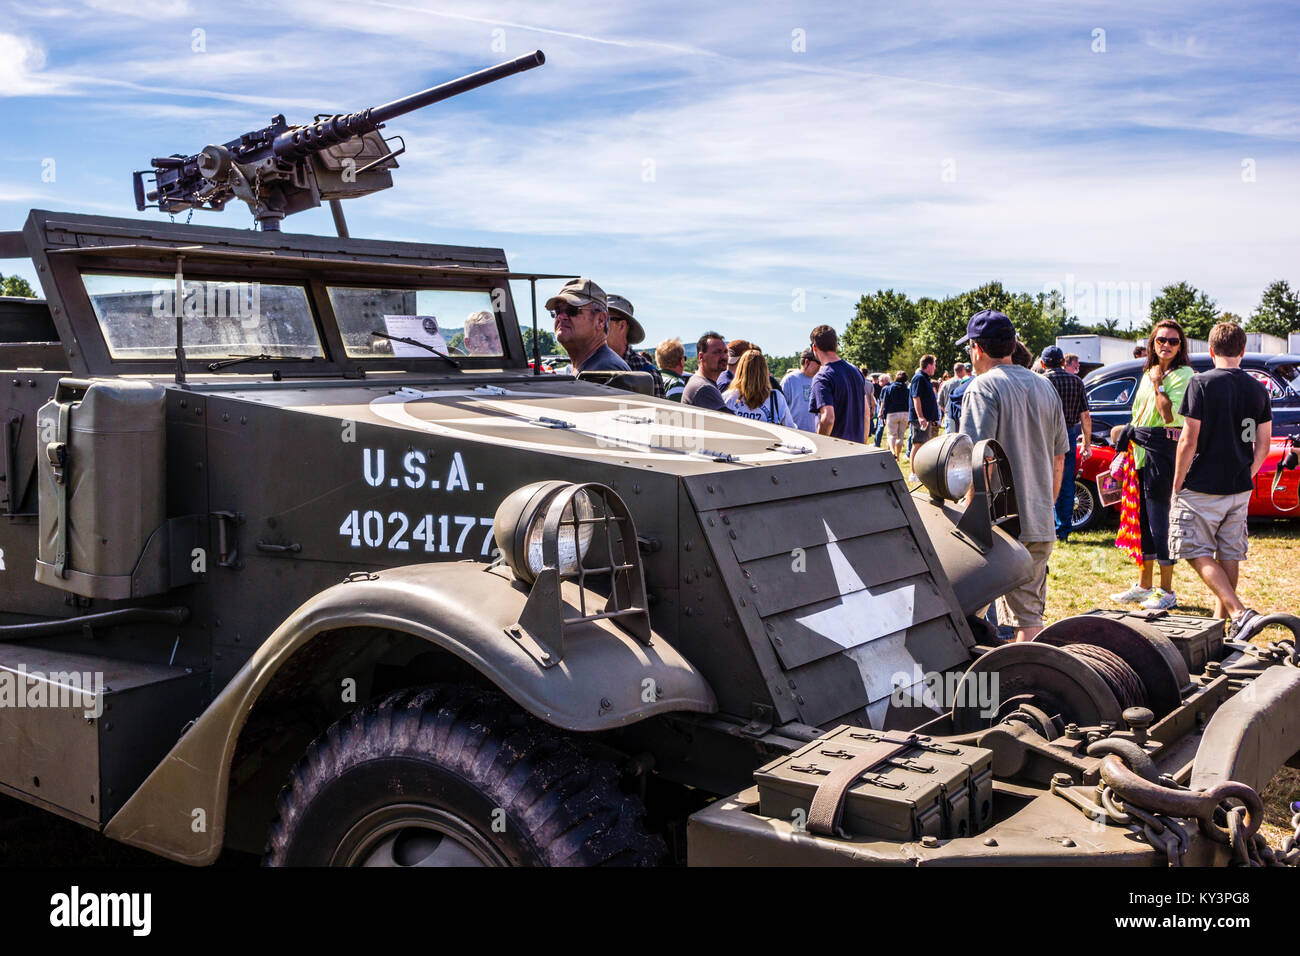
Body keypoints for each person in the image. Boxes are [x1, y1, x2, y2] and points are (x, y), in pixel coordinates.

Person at [957, 310, 1068, 642]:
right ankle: (1030, 685)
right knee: (1029, 619)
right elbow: (1059, 456)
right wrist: (1044, 506)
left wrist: (967, 514)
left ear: (977, 348)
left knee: (961, 614)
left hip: (996, 525)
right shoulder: (1045, 386)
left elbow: (977, 458)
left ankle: (977, 689)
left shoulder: (982, 388)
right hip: (1037, 519)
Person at [1170, 322, 1272, 637]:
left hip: (1201, 485)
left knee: (1190, 550)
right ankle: (1224, 624)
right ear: (1243, 351)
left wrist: (1177, 484)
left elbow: (1188, 440)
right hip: (1239, 486)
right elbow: (1264, 443)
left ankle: (1239, 613)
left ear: (1211, 351)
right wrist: (1248, 472)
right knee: (1228, 552)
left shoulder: (1201, 383)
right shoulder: (1257, 387)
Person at [1109, 319, 1194, 611]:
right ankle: (1144, 585)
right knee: (1142, 519)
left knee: (1161, 520)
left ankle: (1166, 589)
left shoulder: (1183, 374)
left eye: (1172, 341)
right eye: (1161, 340)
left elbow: (1168, 415)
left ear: (1181, 346)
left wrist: (1159, 383)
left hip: (1163, 452)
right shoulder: (1147, 373)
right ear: (1152, 343)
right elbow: (1137, 414)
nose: (1166, 345)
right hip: (1140, 451)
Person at [1042, 346, 1092, 543]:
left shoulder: (1041, 381)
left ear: (1044, 364)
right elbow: (1085, 416)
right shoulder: (1076, 381)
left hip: (1044, 434)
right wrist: (1087, 443)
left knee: (1043, 480)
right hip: (1069, 432)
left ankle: (1046, 527)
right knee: (1066, 482)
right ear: (1063, 362)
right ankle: (1063, 529)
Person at [546, 278, 629, 373]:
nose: (561, 316)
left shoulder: (607, 370)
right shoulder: (591, 366)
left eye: (572, 310)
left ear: (600, 320)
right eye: (558, 310)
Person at [808, 325, 866, 442]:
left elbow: (828, 418)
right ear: (836, 345)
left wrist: (821, 445)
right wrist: (863, 443)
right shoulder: (855, 371)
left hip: (835, 452)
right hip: (857, 450)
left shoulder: (822, 377)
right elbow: (867, 413)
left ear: (814, 347)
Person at [605, 294, 665, 398]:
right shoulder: (586, 364)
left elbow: (658, 414)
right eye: (595, 319)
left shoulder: (648, 373)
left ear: (622, 326)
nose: (598, 324)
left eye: (605, 319)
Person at [723, 350, 797, 426]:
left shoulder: (728, 397)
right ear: (764, 371)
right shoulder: (776, 398)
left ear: (740, 370)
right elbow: (790, 427)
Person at [682, 331, 732, 412]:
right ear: (701, 357)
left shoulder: (703, 382)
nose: (724, 357)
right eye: (717, 352)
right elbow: (732, 421)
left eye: (725, 352)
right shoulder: (704, 388)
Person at [908, 354, 940, 475]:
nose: (935, 368)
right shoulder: (919, 378)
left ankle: (920, 471)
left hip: (926, 418)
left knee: (924, 444)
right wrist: (921, 417)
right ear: (929, 365)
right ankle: (913, 473)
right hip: (920, 419)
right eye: (934, 365)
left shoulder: (925, 378)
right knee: (918, 443)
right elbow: (916, 397)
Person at [780, 349, 821, 431]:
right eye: (818, 363)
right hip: (794, 434)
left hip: (815, 436)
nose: (820, 366)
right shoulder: (789, 380)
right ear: (806, 362)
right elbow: (780, 409)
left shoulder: (820, 380)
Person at [882, 370, 910, 459]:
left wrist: (884, 415)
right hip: (905, 413)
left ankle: (892, 452)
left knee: (892, 435)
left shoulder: (889, 388)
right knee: (901, 436)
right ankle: (897, 456)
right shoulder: (907, 390)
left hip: (892, 413)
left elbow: (885, 403)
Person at [937, 363, 966, 431]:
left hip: (949, 416)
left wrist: (946, 411)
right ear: (963, 370)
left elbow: (939, 401)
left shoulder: (946, 383)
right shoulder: (964, 383)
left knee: (950, 439)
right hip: (961, 415)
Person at [859, 364, 878, 438]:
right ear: (867, 374)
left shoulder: (856, 382)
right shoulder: (870, 384)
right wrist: (873, 409)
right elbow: (871, 398)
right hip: (867, 407)